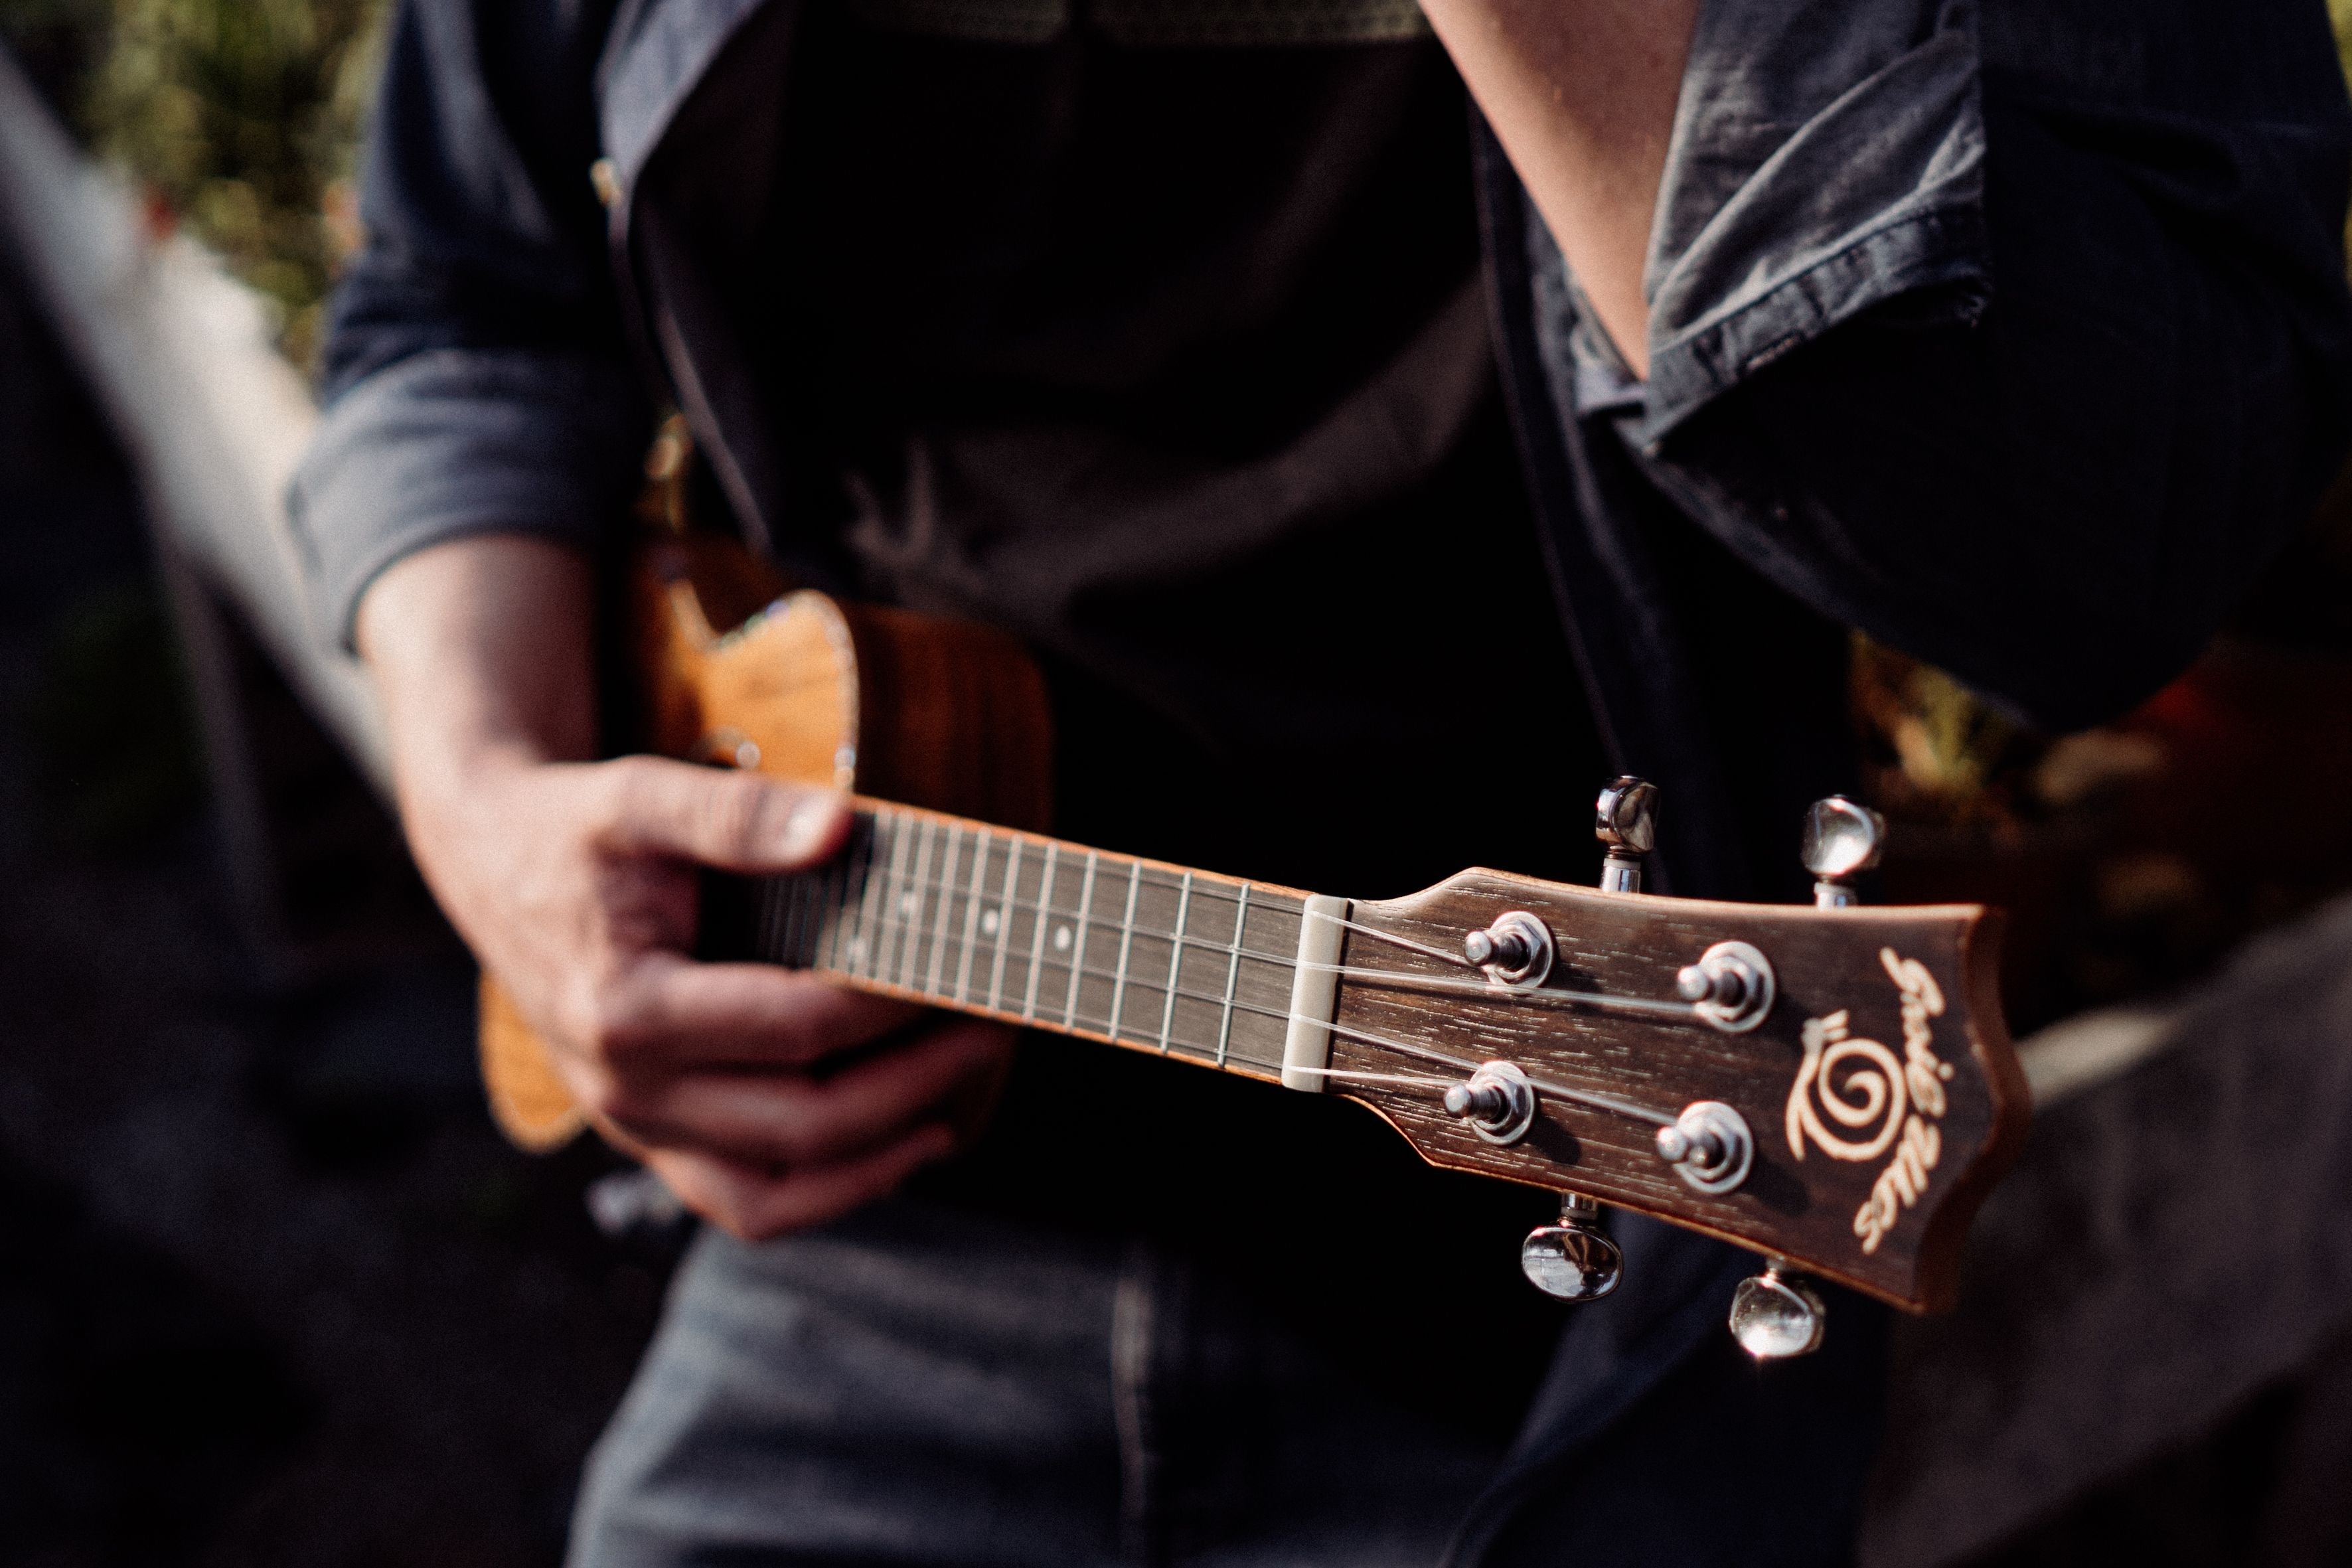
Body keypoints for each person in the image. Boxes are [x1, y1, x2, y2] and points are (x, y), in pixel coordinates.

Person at [291, 1, 2352, 1562]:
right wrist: (485, 802)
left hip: (1569, 1328)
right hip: (875, 1240)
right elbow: (457, 300)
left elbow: (2092, 563)